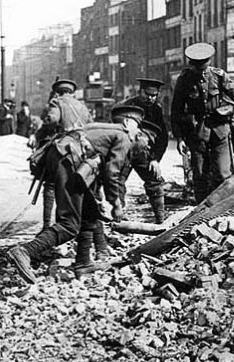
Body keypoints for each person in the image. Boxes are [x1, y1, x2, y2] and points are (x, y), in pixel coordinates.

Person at [7, 104, 144, 283]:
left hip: (63, 155)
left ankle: (83, 263)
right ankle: (25, 251)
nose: (139, 132)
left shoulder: (105, 129)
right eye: (137, 127)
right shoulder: (124, 136)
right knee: (70, 224)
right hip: (68, 159)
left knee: (90, 212)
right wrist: (116, 204)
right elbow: (112, 173)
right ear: (127, 122)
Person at [171, 42, 234, 203]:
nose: (200, 71)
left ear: (209, 62)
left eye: (203, 67)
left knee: (224, 173)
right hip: (196, 132)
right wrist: (180, 138)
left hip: (220, 130)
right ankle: (201, 211)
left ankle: (224, 207)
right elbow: (176, 110)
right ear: (191, 64)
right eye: (197, 67)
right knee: (199, 176)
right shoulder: (184, 80)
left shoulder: (218, 76)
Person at [32, 79, 93, 229]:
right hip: (83, 148)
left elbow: (52, 120)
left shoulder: (56, 102)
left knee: (50, 183)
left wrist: (39, 134)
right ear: (72, 92)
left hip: (64, 147)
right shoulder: (82, 106)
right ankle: (81, 224)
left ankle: (48, 226)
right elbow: (91, 125)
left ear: (58, 92)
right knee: (81, 184)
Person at [121, 78, 169, 223]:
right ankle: (119, 217)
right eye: (147, 94)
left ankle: (161, 219)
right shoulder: (127, 106)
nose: (150, 98)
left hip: (145, 154)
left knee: (154, 181)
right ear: (139, 91)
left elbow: (162, 137)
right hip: (126, 152)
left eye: (153, 95)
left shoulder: (157, 109)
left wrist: (155, 159)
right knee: (117, 182)